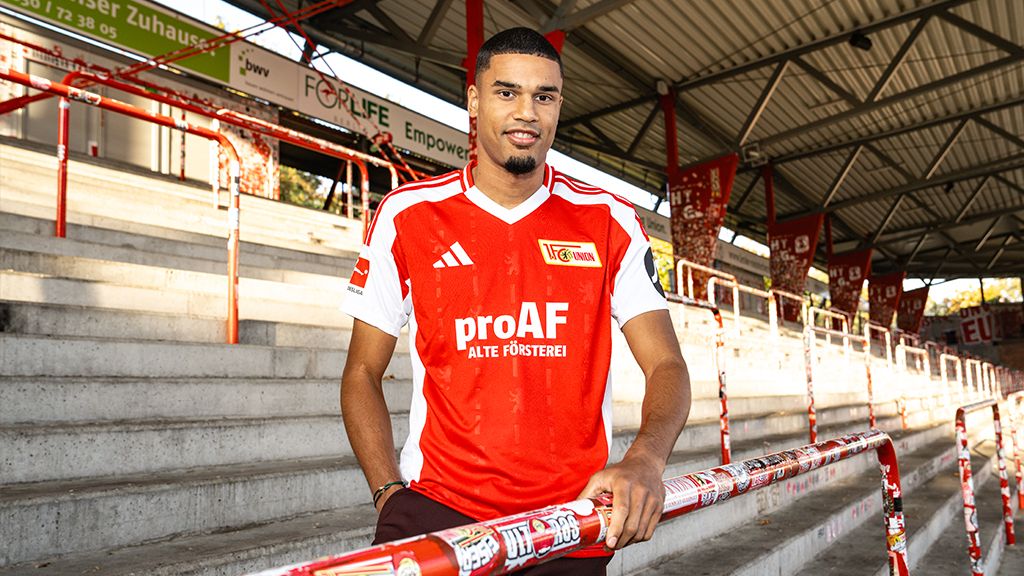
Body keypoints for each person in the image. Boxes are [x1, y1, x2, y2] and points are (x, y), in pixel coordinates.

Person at [340, 27, 691, 575]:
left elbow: (667, 364)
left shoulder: (611, 221)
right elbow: (362, 370)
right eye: (507, 93)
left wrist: (645, 459)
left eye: (544, 96)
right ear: (475, 101)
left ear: (558, 105)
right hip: (437, 513)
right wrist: (389, 493)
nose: (526, 112)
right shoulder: (406, 215)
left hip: (568, 524)